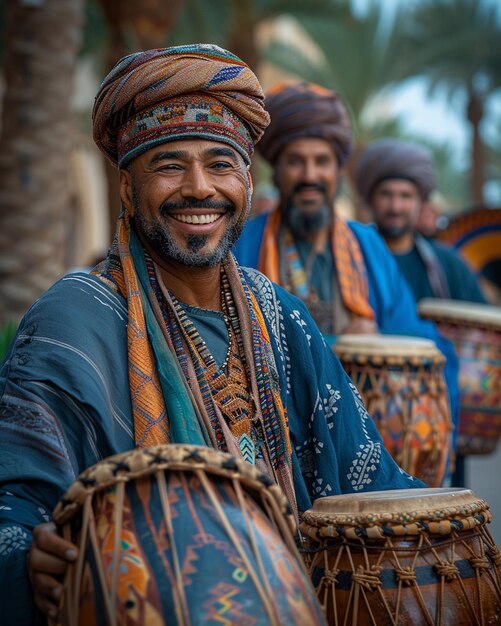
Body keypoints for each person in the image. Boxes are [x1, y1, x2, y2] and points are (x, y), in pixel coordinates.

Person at [0, 45, 423, 625]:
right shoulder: (74, 321)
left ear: (247, 184)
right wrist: (30, 554)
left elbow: (363, 475)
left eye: (221, 164)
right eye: (169, 165)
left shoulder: (279, 314)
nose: (199, 187)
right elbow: (16, 500)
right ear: (126, 189)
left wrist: (431, 518)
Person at [233, 81, 459, 412]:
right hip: (274, 427)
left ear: (338, 171)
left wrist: (377, 337)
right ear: (277, 172)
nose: (310, 174)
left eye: (322, 161)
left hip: (361, 423)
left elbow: (414, 336)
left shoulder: (368, 246)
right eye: (296, 161)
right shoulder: (243, 244)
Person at [355, 138, 488, 304]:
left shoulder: (448, 264)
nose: (395, 207)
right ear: (370, 200)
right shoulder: (351, 256)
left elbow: (484, 323)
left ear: (420, 202)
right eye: (386, 195)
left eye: (405, 196)